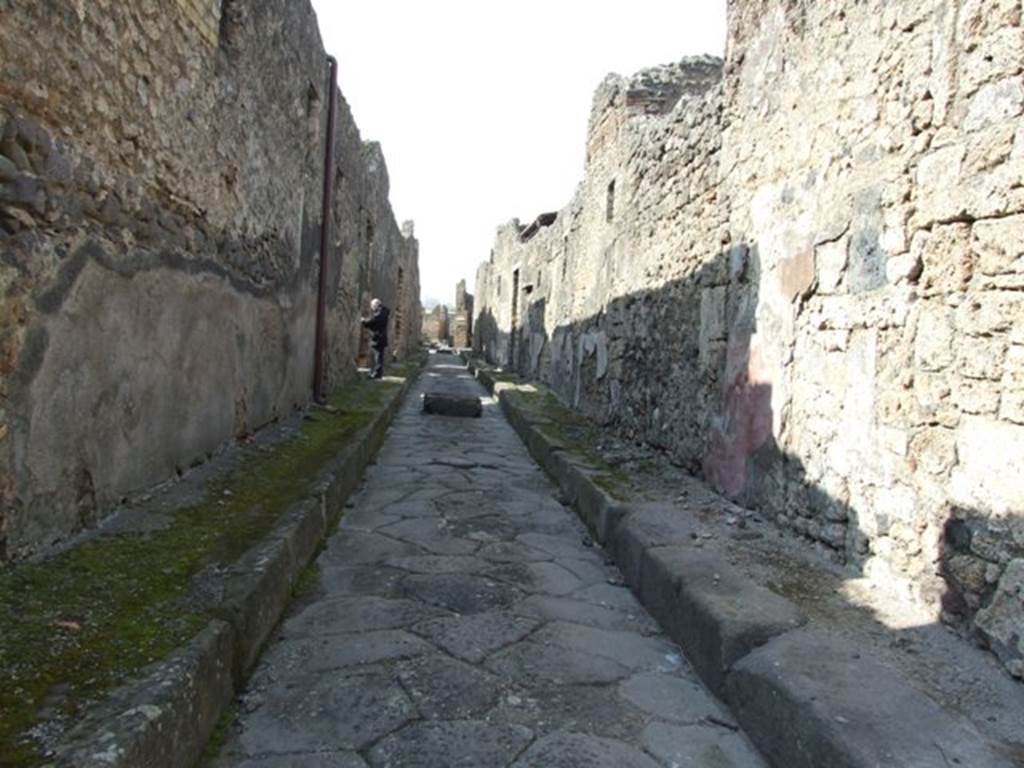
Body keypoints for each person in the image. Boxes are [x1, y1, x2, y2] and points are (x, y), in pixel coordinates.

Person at [361, 298, 390, 379]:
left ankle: (377, 374)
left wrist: (364, 321)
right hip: (380, 337)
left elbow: (374, 320)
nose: (372, 309)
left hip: (379, 338)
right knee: (378, 356)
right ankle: (377, 373)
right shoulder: (383, 312)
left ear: (376, 305)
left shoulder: (381, 313)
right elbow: (374, 322)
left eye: (372, 307)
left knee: (378, 357)